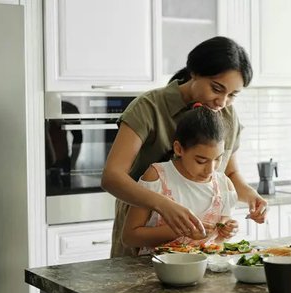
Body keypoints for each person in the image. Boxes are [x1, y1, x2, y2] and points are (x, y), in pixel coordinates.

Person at [101, 36, 268, 257]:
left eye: (232, 95)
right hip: (143, 240)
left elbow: (229, 172)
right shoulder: (149, 107)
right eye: (216, 88)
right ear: (195, 72)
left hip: (199, 250)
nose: (222, 102)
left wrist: (252, 197)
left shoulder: (227, 114)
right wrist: (164, 205)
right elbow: (112, 177)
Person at [122, 106, 239, 254]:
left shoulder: (224, 185)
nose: (211, 170)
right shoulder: (157, 176)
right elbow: (129, 237)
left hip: (206, 270)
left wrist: (228, 230)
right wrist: (180, 230)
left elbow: (219, 239)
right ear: (178, 149)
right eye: (201, 161)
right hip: (156, 270)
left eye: (218, 159)